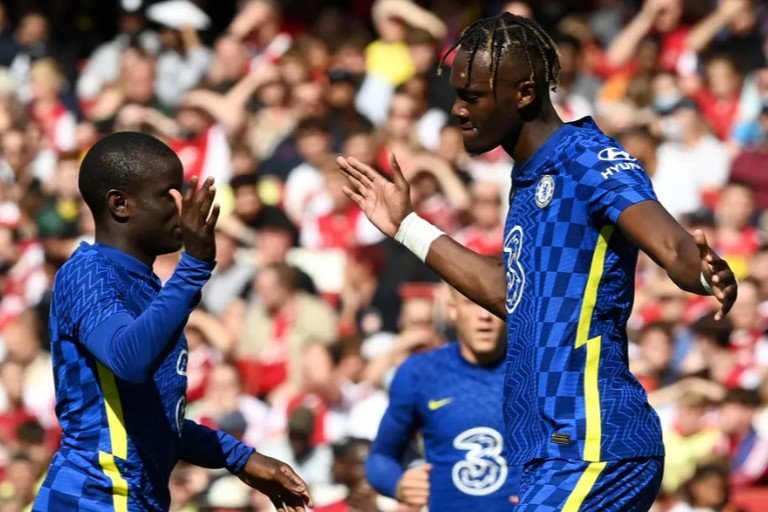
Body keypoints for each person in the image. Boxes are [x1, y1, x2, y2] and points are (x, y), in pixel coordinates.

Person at [337, 12, 738, 511]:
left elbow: (671, 243)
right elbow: (514, 295)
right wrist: (406, 226)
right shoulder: (528, 179)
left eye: (473, 96)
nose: (458, 110)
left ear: (523, 93)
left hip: (594, 442)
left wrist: (701, 273)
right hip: (550, 454)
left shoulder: (585, 156)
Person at [32, 132, 312, 511]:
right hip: (92, 497)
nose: (183, 206)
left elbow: (154, 419)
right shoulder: (87, 273)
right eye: (169, 193)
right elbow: (127, 360)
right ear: (120, 204)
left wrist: (240, 457)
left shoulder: (148, 286)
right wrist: (194, 267)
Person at [365, 285, 519, 510]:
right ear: (452, 310)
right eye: (472, 303)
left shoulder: (536, 372)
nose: (485, 315)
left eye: (495, 303)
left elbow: (569, 442)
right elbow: (380, 458)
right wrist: (399, 484)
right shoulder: (419, 373)